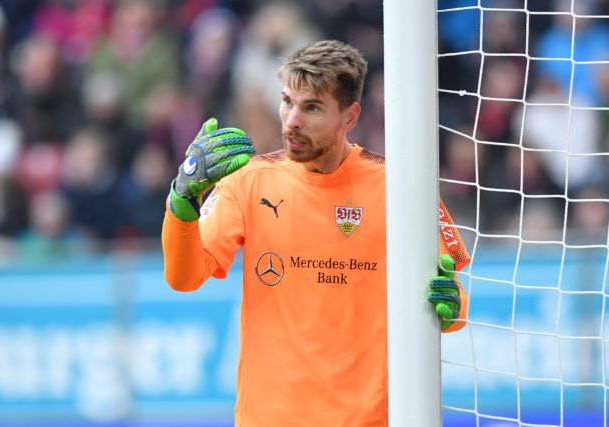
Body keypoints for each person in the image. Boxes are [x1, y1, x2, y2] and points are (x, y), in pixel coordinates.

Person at [161, 40, 470, 426]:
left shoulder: (401, 186)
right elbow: (183, 276)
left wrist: (453, 305)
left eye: (312, 108)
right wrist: (182, 199)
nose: (291, 120)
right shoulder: (248, 181)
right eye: (287, 101)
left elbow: (450, 297)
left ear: (350, 117)